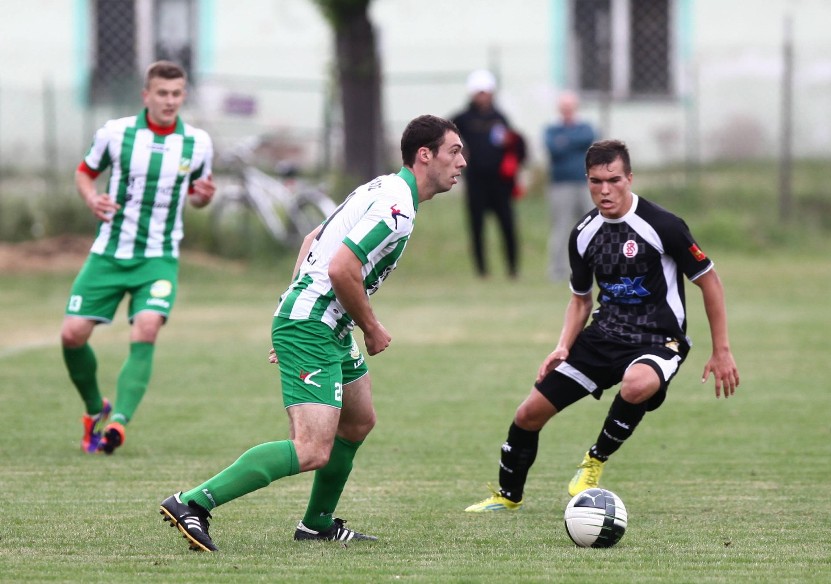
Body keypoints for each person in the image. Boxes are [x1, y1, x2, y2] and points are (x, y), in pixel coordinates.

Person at [158, 115, 466, 552]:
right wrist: (371, 328)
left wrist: (293, 304)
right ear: (425, 155)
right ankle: (192, 502)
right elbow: (341, 268)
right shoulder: (396, 209)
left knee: (359, 421)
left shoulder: (383, 188)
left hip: (321, 323)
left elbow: (313, 237)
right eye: (454, 152)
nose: (462, 162)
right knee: (311, 448)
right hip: (315, 325)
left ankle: (317, 524)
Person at [465, 139, 739, 513]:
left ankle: (594, 461)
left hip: (659, 338)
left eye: (613, 180)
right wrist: (563, 346)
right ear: (587, 180)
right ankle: (507, 496)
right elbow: (581, 299)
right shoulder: (583, 233)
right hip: (603, 336)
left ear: (629, 177)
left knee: (638, 383)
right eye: (596, 181)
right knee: (528, 413)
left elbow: (709, 281)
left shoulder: (664, 225)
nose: (605, 190)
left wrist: (721, 350)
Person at [61, 60, 215, 455]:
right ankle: (97, 409)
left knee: (146, 327)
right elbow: (84, 172)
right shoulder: (115, 133)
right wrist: (92, 198)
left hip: (159, 257)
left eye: (176, 94)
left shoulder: (197, 143)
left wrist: (202, 198)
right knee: (72, 335)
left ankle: (119, 423)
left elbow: (197, 195)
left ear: (184, 95)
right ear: (146, 95)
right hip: (109, 253)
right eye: (162, 93)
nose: (169, 101)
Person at [452, 69, 524, 279]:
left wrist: (513, 165)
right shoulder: (462, 119)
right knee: (477, 227)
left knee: (508, 225)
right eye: (479, 92)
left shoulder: (500, 118)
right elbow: (446, 137)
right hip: (476, 181)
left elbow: (513, 145)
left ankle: (512, 269)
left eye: (486, 92)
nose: (483, 96)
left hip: (500, 183)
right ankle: (482, 271)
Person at [543, 91, 596, 281]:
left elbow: (587, 140)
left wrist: (566, 141)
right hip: (560, 185)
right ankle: (558, 271)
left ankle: (595, 268)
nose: (567, 111)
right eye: (564, 108)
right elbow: (554, 148)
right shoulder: (552, 129)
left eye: (570, 108)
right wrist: (571, 143)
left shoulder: (585, 127)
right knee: (561, 228)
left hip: (585, 183)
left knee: (592, 227)